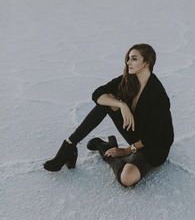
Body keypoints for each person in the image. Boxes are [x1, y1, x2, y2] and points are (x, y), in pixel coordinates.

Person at [43, 43, 174, 188]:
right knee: (106, 101)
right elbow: (98, 94)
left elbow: (158, 136)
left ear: (147, 62)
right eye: (128, 58)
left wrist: (126, 150)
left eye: (134, 59)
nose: (128, 62)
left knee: (127, 178)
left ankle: (104, 147)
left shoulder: (158, 95)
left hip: (154, 146)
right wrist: (121, 105)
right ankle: (69, 145)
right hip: (134, 132)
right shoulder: (128, 80)